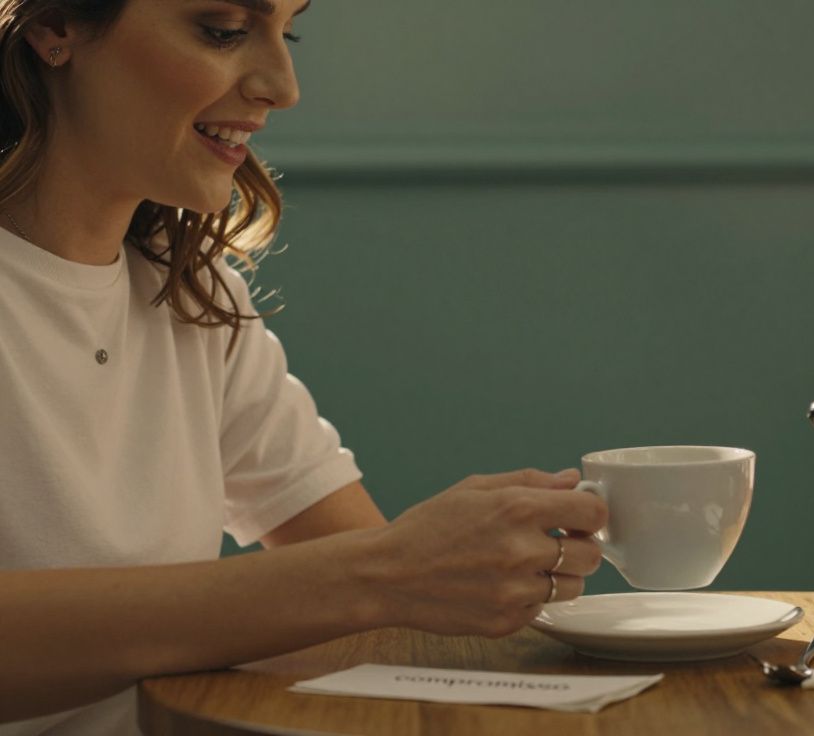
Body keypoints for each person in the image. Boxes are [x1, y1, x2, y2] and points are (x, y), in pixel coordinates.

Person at [0, 1, 607, 732]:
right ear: (55, 28)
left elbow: (357, 576)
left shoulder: (195, 296)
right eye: (223, 30)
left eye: (285, 33)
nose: (283, 87)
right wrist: (386, 573)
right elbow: (363, 576)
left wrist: (450, 570)